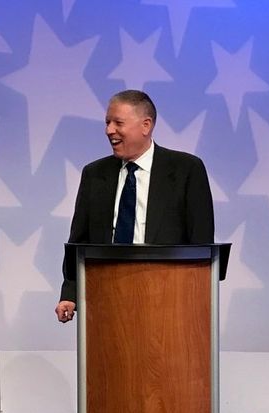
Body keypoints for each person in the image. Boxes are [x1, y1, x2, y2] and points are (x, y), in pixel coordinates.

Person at [55, 90, 214, 323]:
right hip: (106, 299)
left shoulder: (186, 170)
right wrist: (70, 294)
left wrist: (195, 299)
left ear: (146, 125)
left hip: (168, 301)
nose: (109, 130)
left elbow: (201, 241)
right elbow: (79, 240)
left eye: (118, 122)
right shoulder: (95, 174)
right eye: (107, 122)